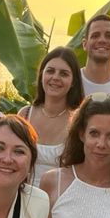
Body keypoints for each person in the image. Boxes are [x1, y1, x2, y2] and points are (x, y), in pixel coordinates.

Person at [19, 46, 84, 186]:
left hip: (58, 201)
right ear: (42, 75)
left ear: (73, 81)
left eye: (64, 74)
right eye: (50, 71)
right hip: (20, 198)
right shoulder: (24, 115)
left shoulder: (78, 122)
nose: (55, 77)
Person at [80, 15, 110, 96]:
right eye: (95, 36)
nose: (102, 40)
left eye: (109, 36)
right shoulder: (71, 83)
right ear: (85, 44)